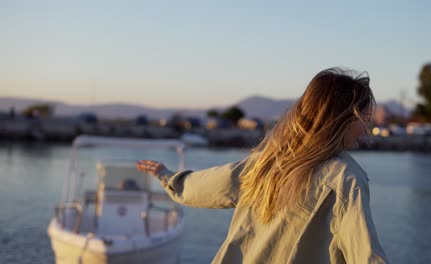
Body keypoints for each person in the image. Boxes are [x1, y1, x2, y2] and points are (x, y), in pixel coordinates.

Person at [136, 68, 388, 264]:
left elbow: (206, 186)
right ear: (340, 120)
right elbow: (365, 254)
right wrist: (167, 176)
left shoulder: (268, 162)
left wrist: (167, 176)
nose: (365, 130)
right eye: (361, 119)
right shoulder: (345, 178)